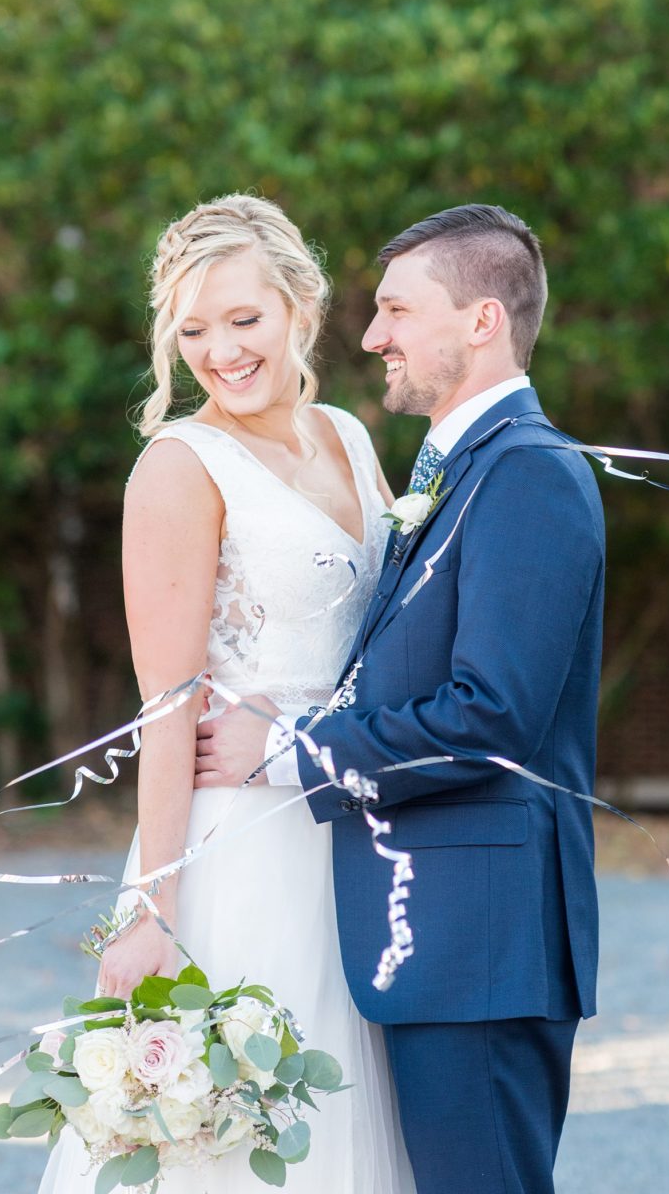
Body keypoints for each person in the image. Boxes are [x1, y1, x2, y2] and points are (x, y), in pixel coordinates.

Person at [196, 204, 605, 1194]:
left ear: (480, 322)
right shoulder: (452, 469)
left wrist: (289, 748)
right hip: (441, 945)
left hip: (482, 944)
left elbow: (492, 718)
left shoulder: (528, 475)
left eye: (396, 310)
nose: (373, 335)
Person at [38, 193, 415, 1193]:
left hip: (343, 831)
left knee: (344, 1118)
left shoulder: (347, 435)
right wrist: (154, 907)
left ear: (301, 306)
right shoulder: (178, 467)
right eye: (192, 330)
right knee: (231, 1141)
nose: (222, 352)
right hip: (234, 850)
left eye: (243, 320)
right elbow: (169, 701)